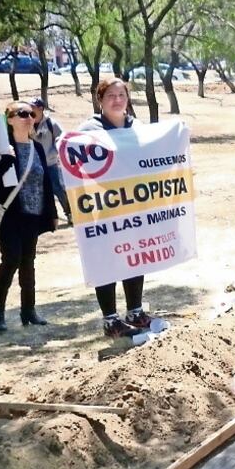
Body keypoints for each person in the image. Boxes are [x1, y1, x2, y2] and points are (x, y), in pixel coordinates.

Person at [78, 79, 158, 339]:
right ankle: (110, 320)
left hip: (135, 205)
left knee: (135, 255)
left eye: (121, 94)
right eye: (110, 95)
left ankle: (135, 311)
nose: (117, 100)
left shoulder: (137, 128)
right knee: (107, 261)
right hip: (102, 207)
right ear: (100, 99)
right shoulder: (88, 130)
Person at [0, 101, 58, 331]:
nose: (27, 117)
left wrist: (52, 213)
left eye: (31, 114)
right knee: (11, 259)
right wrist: (5, 161)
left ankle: (29, 311)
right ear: (10, 119)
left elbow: (46, 182)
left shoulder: (37, 148)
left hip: (33, 215)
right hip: (8, 215)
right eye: (21, 113)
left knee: (28, 263)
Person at [29, 97, 71, 225]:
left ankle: (70, 213)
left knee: (57, 189)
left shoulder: (51, 124)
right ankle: (46, 217)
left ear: (41, 108)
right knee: (37, 191)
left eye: (33, 107)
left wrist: (55, 153)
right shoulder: (26, 122)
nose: (30, 110)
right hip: (33, 165)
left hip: (50, 163)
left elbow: (62, 140)